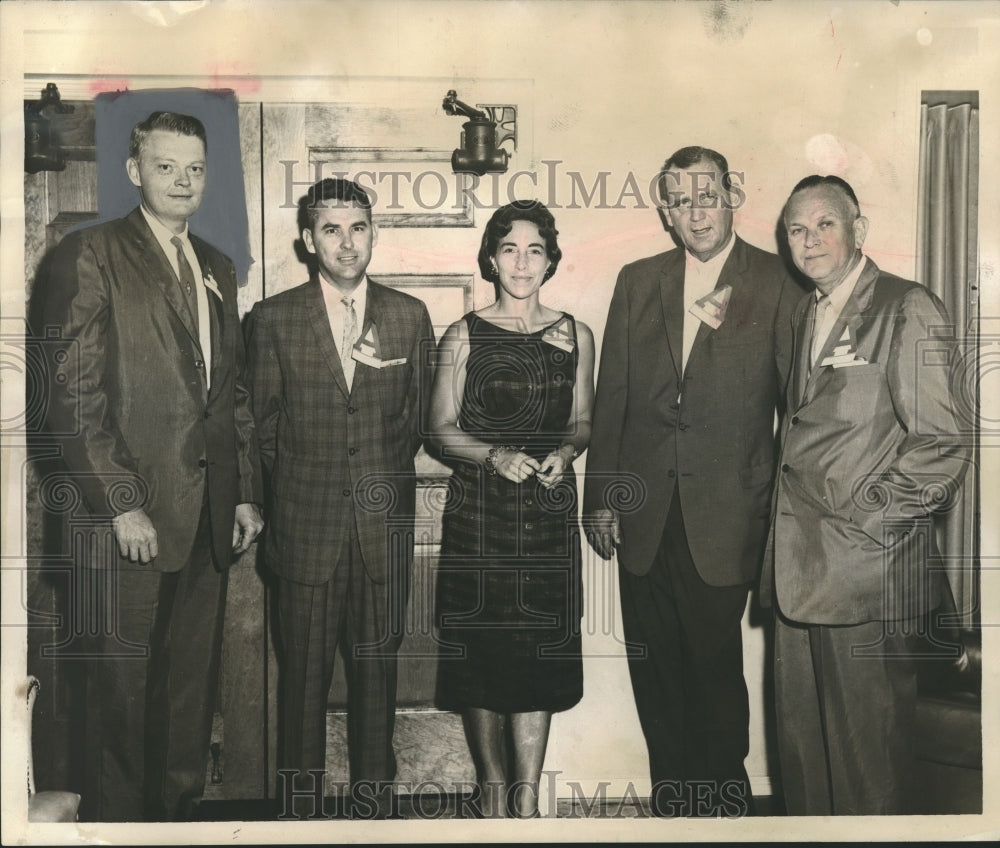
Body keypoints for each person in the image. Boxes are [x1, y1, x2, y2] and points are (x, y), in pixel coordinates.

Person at [33, 110, 264, 821]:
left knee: (187, 692)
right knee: (118, 698)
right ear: (135, 172)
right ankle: (119, 831)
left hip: (205, 520)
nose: (183, 181)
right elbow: (69, 398)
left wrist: (242, 494)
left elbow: (229, 396)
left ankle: (175, 825)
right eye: (166, 166)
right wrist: (121, 501)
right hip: (123, 523)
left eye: (195, 168)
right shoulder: (89, 253)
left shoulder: (216, 265)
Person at [583, 146, 801, 816]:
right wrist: (600, 498)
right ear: (665, 213)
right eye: (680, 200)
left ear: (732, 194)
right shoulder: (638, 280)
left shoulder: (775, 281)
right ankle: (673, 812)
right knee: (655, 672)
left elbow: (794, 405)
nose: (695, 211)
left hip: (728, 516)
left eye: (707, 195)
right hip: (644, 514)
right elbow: (612, 394)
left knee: (713, 672)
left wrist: (778, 511)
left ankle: (725, 811)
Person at [763, 174, 970, 815]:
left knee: (868, 771)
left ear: (859, 230)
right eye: (797, 229)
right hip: (796, 573)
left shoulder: (907, 306)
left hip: (868, 574)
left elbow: (942, 445)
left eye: (825, 224)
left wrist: (867, 525)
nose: (811, 239)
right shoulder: (803, 313)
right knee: (804, 762)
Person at [245, 177, 435, 817]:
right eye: (331, 229)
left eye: (357, 228)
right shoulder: (272, 319)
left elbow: (415, 422)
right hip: (304, 531)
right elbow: (262, 428)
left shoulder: (409, 315)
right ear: (308, 240)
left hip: (382, 533)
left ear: (373, 233)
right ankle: (298, 820)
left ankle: (376, 818)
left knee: (377, 687)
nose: (346, 243)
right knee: (299, 689)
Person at [428, 200, 595, 818]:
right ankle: (492, 790)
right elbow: (438, 430)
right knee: (480, 646)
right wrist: (493, 453)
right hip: (479, 513)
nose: (522, 263)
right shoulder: (463, 334)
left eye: (534, 250)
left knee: (537, 649)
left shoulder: (576, 333)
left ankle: (526, 798)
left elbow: (583, 421)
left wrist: (568, 451)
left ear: (550, 260)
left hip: (548, 515)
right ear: (491, 260)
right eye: (509, 249)